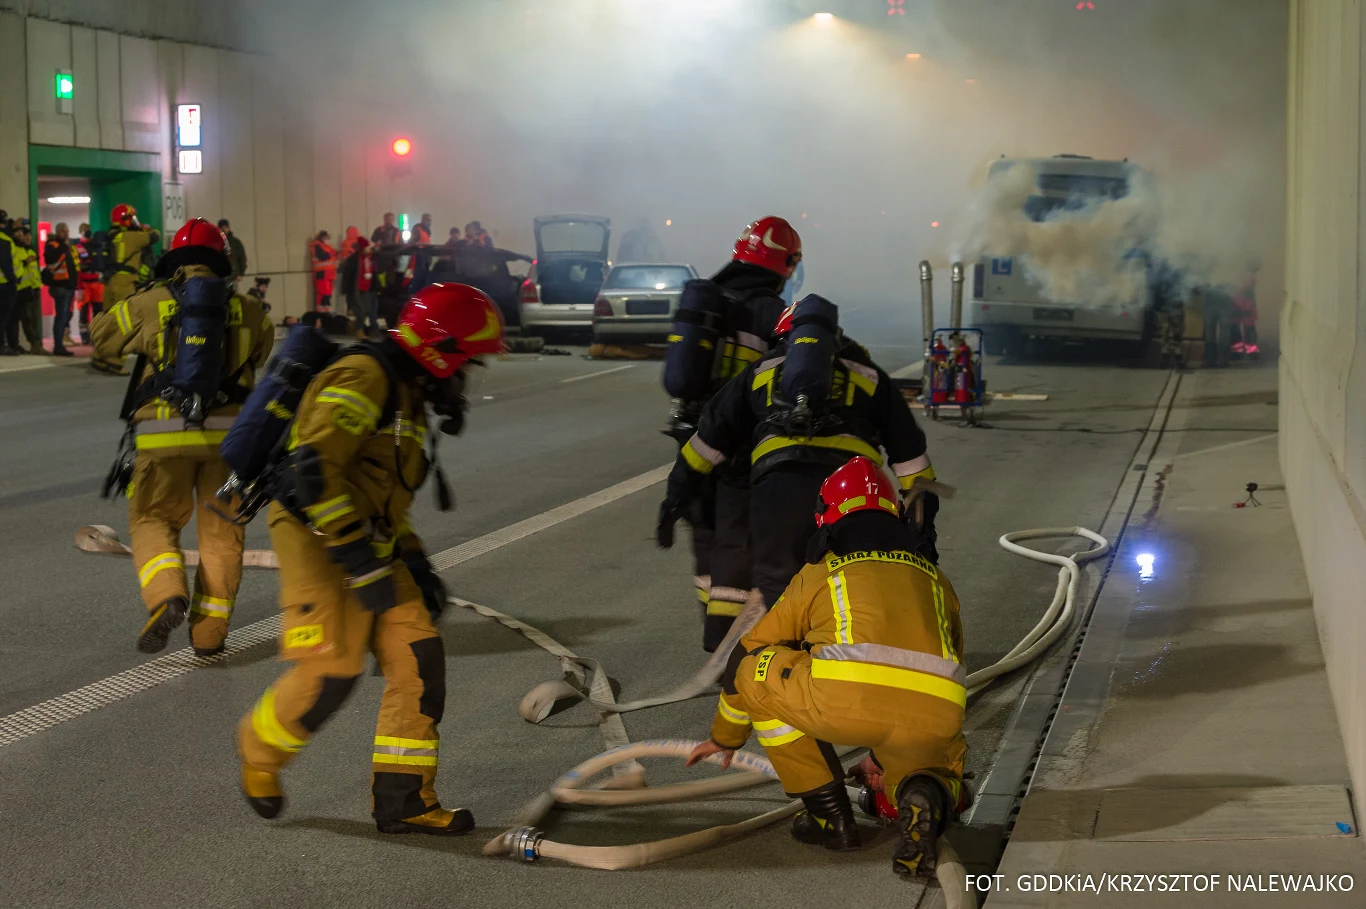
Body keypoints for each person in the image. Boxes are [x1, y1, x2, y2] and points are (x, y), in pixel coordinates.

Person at [236, 282, 505, 834]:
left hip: (368, 543)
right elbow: (313, 469)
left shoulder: (405, 391)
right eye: (467, 359)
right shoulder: (365, 377)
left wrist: (414, 559)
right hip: (315, 535)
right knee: (331, 672)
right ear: (440, 349)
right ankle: (259, 754)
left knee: (418, 657)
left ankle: (404, 801)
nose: (468, 373)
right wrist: (359, 559)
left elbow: (383, 496)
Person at [686, 456, 967, 877]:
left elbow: (749, 647)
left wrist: (726, 738)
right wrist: (882, 753)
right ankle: (925, 790)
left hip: (840, 704)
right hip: (933, 716)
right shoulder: (935, 577)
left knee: (756, 668)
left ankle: (830, 818)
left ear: (826, 516)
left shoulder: (822, 571)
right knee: (933, 769)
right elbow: (947, 659)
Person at [659, 294, 938, 612]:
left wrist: (676, 496)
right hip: (851, 491)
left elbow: (706, 443)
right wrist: (924, 527)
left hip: (779, 488)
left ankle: (782, 658)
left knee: (779, 588)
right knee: (854, 580)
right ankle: (847, 654)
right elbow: (912, 460)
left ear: (784, 337)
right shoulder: (870, 374)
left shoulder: (761, 369)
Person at [90, 218, 274, 655]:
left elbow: (102, 340)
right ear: (223, 261)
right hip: (228, 443)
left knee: (154, 520)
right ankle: (209, 636)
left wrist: (142, 310)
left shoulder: (150, 302)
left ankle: (166, 594)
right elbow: (263, 353)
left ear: (173, 260)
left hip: (161, 436)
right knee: (221, 534)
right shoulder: (250, 309)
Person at [663, 217, 800, 651]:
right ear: (785, 263)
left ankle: (715, 635)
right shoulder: (769, 312)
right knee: (738, 545)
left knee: (705, 540)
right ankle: (731, 652)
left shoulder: (708, 301)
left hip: (692, 441)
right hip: (740, 448)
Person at [99, 204, 160, 375]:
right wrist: (143, 228)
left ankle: (100, 357)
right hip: (124, 281)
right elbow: (155, 236)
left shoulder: (113, 235)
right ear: (124, 220)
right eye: (131, 218)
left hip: (110, 281)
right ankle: (114, 362)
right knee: (124, 322)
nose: (134, 221)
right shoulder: (132, 236)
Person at [44, 222, 79, 356]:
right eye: (64, 231)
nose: (67, 234)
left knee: (65, 316)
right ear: (58, 232)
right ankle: (58, 346)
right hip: (60, 286)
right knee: (60, 317)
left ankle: (60, 344)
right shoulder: (53, 245)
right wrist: (63, 245)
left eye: (67, 231)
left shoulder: (66, 246)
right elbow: (51, 261)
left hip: (69, 286)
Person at [12, 223, 44, 354]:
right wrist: (25, 262)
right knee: (27, 319)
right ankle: (34, 344)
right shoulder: (17, 250)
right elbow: (16, 269)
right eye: (26, 236)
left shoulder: (31, 250)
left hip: (34, 288)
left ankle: (38, 344)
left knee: (35, 319)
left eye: (29, 236)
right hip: (23, 290)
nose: (28, 238)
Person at [76, 223, 104, 343]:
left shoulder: (96, 245)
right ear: (80, 231)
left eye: (88, 230)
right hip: (84, 284)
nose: (87, 232)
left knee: (98, 311)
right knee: (83, 312)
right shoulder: (77, 246)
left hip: (97, 283)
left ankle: (97, 335)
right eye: (84, 230)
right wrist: (79, 287)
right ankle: (84, 337)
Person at [0, 216, 17, 356]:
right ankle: (2, 346)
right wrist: (13, 281)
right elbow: (6, 264)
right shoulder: (5, 241)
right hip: (3, 285)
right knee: (4, 317)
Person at [310, 230, 337, 312]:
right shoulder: (316, 245)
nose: (328, 239)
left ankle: (326, 307)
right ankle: (323, 308)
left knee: (328, 291)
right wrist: (332, 253)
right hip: (321, 272)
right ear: (322, 237)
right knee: (323, 292)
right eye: (327, 237)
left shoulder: (327, 246)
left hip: (329, 273)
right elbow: (322, 257)